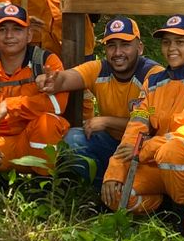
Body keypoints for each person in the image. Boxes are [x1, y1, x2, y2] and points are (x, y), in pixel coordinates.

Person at [102, 16, 184, 217]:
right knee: (117, 196)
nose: (172, 48)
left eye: (180, 42)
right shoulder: (152, 83)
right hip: (156, 161)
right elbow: (136, 126)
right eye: (167, 42)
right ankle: (162, 206)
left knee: (172, 150)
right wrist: (114, 171)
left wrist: (146, 148)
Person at [36, 17, 163, 188]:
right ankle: (104, 186)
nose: (118, 52)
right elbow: (68, 77)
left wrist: (106, 121)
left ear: (139, 48)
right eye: (111, 45)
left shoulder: (153, 75)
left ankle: (130, 185)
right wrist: (54, 81)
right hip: (111, 142)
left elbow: (153, 126)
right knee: (72, 140)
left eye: (125, 45)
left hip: (143, 147)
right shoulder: (100, 68)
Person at [0, 4, 69, 189]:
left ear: (29, 36)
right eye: (3, 29)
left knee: (48, 122)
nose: (9, 36)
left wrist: (9, 105)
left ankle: (43, 184)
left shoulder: (46, 62)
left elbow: (57, 105)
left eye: (17, 29)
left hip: (31, 139)